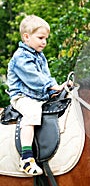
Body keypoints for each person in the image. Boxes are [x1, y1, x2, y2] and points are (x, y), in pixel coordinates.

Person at [7, 15, 68, 176]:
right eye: (40, 38)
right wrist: (51, 86)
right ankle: (26, 158)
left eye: (46, 38)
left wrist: (56, 90)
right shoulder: (20, 57)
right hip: (22, 96)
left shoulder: (40, 56)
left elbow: (46, 76)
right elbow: (34, 78)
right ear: (26, 37)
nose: (44, 42)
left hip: (39, 96)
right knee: (32, 113)